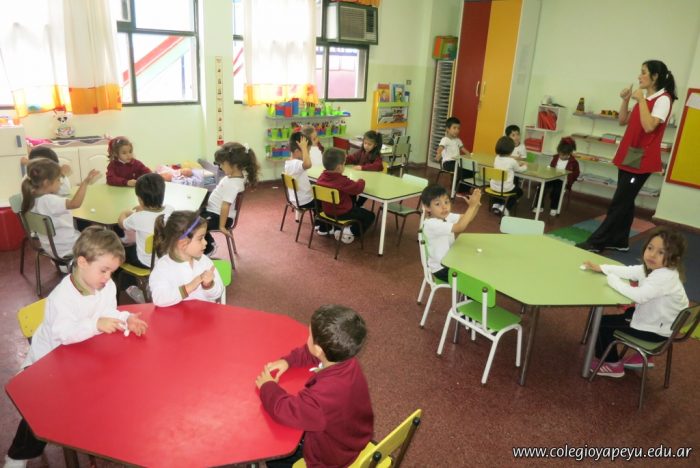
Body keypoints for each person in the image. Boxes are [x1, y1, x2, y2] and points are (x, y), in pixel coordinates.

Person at [3, 227, 148, 468]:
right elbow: (64, 333)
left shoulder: (105, 286)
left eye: (112, 272)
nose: (108, 277)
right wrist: (96, 324)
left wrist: (126, 319)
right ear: (82, 262)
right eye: (104, 270)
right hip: (46, 363)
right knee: (41, 410)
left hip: (81, 357)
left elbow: (108, 312)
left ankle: (99, 433)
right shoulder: (62, 297)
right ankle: (17, 456)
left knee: (113, 385)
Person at [255, 305, 373, 468]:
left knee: (276, 458)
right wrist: (288, 361)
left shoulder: (322, 396)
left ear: (318, 349)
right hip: (352, 438)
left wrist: (267, 386)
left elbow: (287, 410)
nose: (307, 338)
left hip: (330, 458)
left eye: (310, 336)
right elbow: (316, 355)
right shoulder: (347, 361)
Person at [577, 60, 677, 253]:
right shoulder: (645, 98)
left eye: (643, 72)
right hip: (629, 156)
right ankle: (620, 241)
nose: (639, 76)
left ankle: (596, 242)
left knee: (619, 202)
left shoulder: (663, 99)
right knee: (626, 201)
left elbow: (649, 126)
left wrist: (641, 101)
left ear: (655, 76)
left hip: (641, 160)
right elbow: (623, 120)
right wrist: (626, 100)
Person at [583, 226, 688, 377]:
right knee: (628, 313)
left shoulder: (664, 276)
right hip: (663, 324)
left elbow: (638, 296)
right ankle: (643, 356)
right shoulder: (658, 269)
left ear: (674, 259)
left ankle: (612, 364)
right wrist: (602, 268)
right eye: (650, 248)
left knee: (601, 324)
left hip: (655, 332)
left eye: (661, 252)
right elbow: (631, 271)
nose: (652, 255)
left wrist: (613, 280)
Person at [21, 158, 100, 258]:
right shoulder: (49, 201)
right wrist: (85, 182)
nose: (61, 183)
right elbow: (75, 204)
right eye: (58, 180)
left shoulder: (31, 197)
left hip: (51, 247)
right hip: (68, 248)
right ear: (46, 183)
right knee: (102, 238)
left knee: (87, 233)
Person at [149, 210, 224, 307]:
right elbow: (159, 298)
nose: (205, 242)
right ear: (182, 243)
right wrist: (189, 287)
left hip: (204, 312)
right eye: (200, 238)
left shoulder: (204, 261)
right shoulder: (163, 266)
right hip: (176, 314)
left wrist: (209, 285)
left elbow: (218, 293)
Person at [202, 142, 259, 255]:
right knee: (192, 214)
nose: (220, 166)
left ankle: (209, 247)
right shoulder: (237, 175)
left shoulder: (232, 184)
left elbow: (225, 206)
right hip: (214, 211)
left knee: (193, 223)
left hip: (219, 216)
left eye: (222, 164)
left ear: (235, 165)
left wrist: (222, 226)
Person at [420, 184, 482, 282]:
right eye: (437, 204)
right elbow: (460, 227)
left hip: (451, 260)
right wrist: (471, 207)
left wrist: (476, 205)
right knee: (474, 277)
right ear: (427, 207)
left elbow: (468, 218)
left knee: (475, 267)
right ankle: (467, 291)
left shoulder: (446, 216)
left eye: (446, 202)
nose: (444, 207)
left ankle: (467, 291)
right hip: (441, 268)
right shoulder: (431, 224)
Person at [316, 148, 375, 245]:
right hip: (342, 213)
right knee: (370, 216)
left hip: (327, 211)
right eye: (344, 164)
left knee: (350, 197)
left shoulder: (321, 178)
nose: (344, 166)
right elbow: (358, 188)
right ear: (339, 167)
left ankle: (335, 227)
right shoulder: (342, 181)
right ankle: (349, 231)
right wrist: (361, 180)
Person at [532, 137, 580, 217]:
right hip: (551, 178)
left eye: (563, 155)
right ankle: (539, 206)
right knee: (542, 187)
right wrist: (548, 169)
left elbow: (576, 173)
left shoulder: (574, 162)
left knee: (557, 191)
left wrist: (569, 179)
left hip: (562, 180)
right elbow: (551, 167)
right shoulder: (555, 158)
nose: (561, 156)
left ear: (569, 153)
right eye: (560, 154)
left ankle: (554, 208)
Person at [435, 116, 473, 192]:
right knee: (460, 170)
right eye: (454, 128)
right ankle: (456, 188)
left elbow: (463, 149)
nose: (457, 130)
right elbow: (440, 148)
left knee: (470, 170)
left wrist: (470, 155)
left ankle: (464, 188)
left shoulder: (458, 140)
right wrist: (438, 154)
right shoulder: (445, 139)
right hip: (448, 163)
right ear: (447, 129)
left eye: (458, 128)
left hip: (457, 162)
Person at [490, 136, 527, 216]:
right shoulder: (512, 161)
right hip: (506, 188)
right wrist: (525, 166)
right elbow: (519, 170)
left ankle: (496, 205)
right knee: (519, 192)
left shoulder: (496, 158)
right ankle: (506, 208)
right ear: (511, 150)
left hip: (493, 186)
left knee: (499, 188)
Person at [285, 132, 314, 210]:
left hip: (296, 199)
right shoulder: (296, 163)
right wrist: (304, 148)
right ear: (297, 152)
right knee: (324, 202)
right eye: (307, 152)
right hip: (305, 201)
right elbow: (308, 165)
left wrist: (304, 149)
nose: (308, 154)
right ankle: (317, 217)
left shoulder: (289, 163)